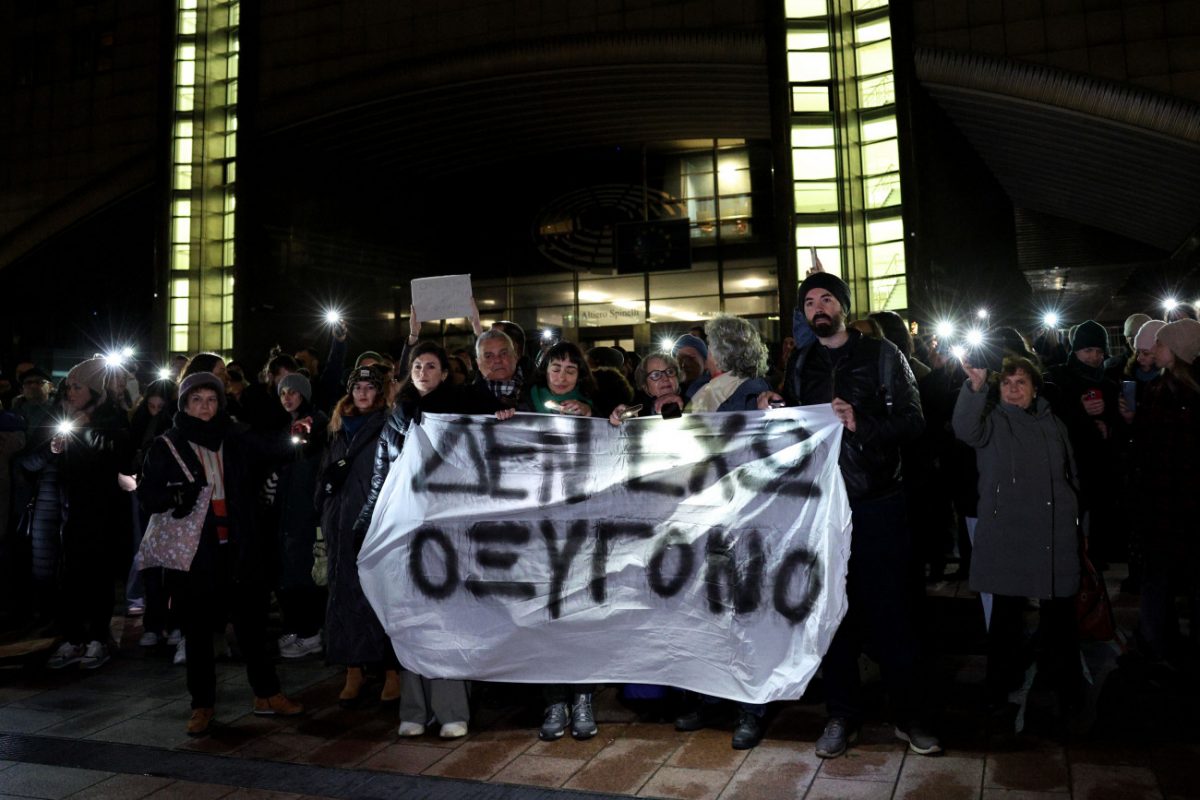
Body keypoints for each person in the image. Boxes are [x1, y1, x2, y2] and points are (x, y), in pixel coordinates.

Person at [758, 272, 939, 758]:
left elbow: (913, 420)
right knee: (831, 614)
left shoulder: (882, 355)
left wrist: (863, 423)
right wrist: (774, 408)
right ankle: (842, 715)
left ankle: (910, 715)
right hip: (821, 506)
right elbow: (796, 425)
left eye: (826, 299)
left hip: (877, 501)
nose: (818, 308)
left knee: (892, 612)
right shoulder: (802, 362)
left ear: (842, 306)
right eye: (810, 301)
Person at [138, 372, 304, 736]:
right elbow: (147, 495)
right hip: (197, 553)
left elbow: (273, 448)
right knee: (198, 633)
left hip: (241, 546)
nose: (204, 407)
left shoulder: (235, 437)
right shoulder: (168, 445)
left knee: (253, 627)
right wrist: (173, 497)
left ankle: (267, 694)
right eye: (196, 400)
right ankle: (202, 705)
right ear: (183, 404)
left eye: (211, 400)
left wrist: (299, 431)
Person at [358, 342, 500, 739]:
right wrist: (366, 524)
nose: (423, 371)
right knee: (410, 617)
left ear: (443, 373)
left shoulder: (459, 409)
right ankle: (415, 709)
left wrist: (476, 330)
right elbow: (381, 476)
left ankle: (452, 709)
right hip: (404, 527)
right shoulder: (396, 418)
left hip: (447, 527)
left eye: (431, 366)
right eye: (417, 365)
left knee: (446, 616)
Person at [953, 356, 1083, 712]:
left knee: (1058, 615)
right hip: (1008, 532)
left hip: (1052, 532)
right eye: (1007, 383)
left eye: (1021, 382)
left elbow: (1070, 471)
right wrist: (975, 387)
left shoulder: (1053, 423)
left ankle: (1062, 687)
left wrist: (1074, 514)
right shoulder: (991, 422)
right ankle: (998, 689)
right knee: (1007, 617)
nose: (1012, 390)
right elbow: (964, 429)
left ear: (1035, 388)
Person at [668, 314, 772, 750]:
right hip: (705, 518)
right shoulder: (701, 394)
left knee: (745, 614)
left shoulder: (755, 396)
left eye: (711, 345)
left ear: (724, 351)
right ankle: (711, 697)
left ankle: (750, 707)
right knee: (707, 612)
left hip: (743, 520)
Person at [34, 358, 131, 671]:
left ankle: (98, 637)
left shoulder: (112, 417)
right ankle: (73, 636)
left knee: (98, 575)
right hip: (68, 509)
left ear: (94, 389)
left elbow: (116, 458)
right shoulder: (63, 414)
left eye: (78, 386)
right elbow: (37, 458)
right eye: (69, 386)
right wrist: (54, 450)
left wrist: (86, 431)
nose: (71, 392)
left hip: (102, 510)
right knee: (70, 575)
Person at [315, 365, 400, 708]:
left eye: (369, 387)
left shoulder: (388, 426)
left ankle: (390, 668)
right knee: (344, 593)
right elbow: (322, 473)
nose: (363, 393)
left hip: (374, 522)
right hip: (339, 521)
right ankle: (353, 667)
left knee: (379, 594)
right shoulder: (336, 429)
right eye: (358, 387)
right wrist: (324, 499)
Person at [1122, 319, 1200, 663]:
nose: (1155, 349)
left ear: (1178, 351)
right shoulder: (1167, 388)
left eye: (1162, 343)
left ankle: (1158, 647)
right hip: (1177, 501)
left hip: (1166, 501)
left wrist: (1135, 424)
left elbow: (1154, 449)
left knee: (1159, 578)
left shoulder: (1168, 391)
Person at [1045, 321, 1122, 565]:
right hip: (1067, 463)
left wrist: (1109, 425)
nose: (1094, 357)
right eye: (1088, 350)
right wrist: (1081, 412)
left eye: (1099, 352)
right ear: (1075, 350)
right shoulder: (1056, 378)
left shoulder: (1109, 384)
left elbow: (1119, 422)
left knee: (1099, 515)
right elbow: (1048, 417)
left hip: (1099, 465)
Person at [268, 373, 329, 659]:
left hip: (306, 510)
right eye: (283, 393)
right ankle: (298, 628)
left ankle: (310, 632)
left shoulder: (315, 422)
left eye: (293, 392)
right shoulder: (282, 426)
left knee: (307, 572)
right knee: (291, 571)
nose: (287, 398)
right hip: (289, 510)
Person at [608, 351, 685, 423]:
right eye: (656, 375)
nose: (665, 378)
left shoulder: (694, 401)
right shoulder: (640, 412)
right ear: (645, 387)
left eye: (670, 372)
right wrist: (621, 421)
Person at [671, 334, 710, 400]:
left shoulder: (714, 389)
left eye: (690, 358)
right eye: (679, 359)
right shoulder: (672, 389)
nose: (683, 364)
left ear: (705, 362)